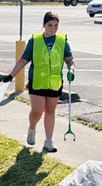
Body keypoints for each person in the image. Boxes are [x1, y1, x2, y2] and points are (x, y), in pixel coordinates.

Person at [5, 11, 74, 154]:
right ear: (44, 25)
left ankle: (49, 141)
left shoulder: (62, 40)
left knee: (50, 111)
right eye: (50, 25)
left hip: (54, 82)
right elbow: (23, 60)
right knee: (37, 110)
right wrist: (11, 75)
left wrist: (71, 69)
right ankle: (32, 128)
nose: (53, 29)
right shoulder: (35, 41)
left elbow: (69, 59)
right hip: (37, 81)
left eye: (56, 25)